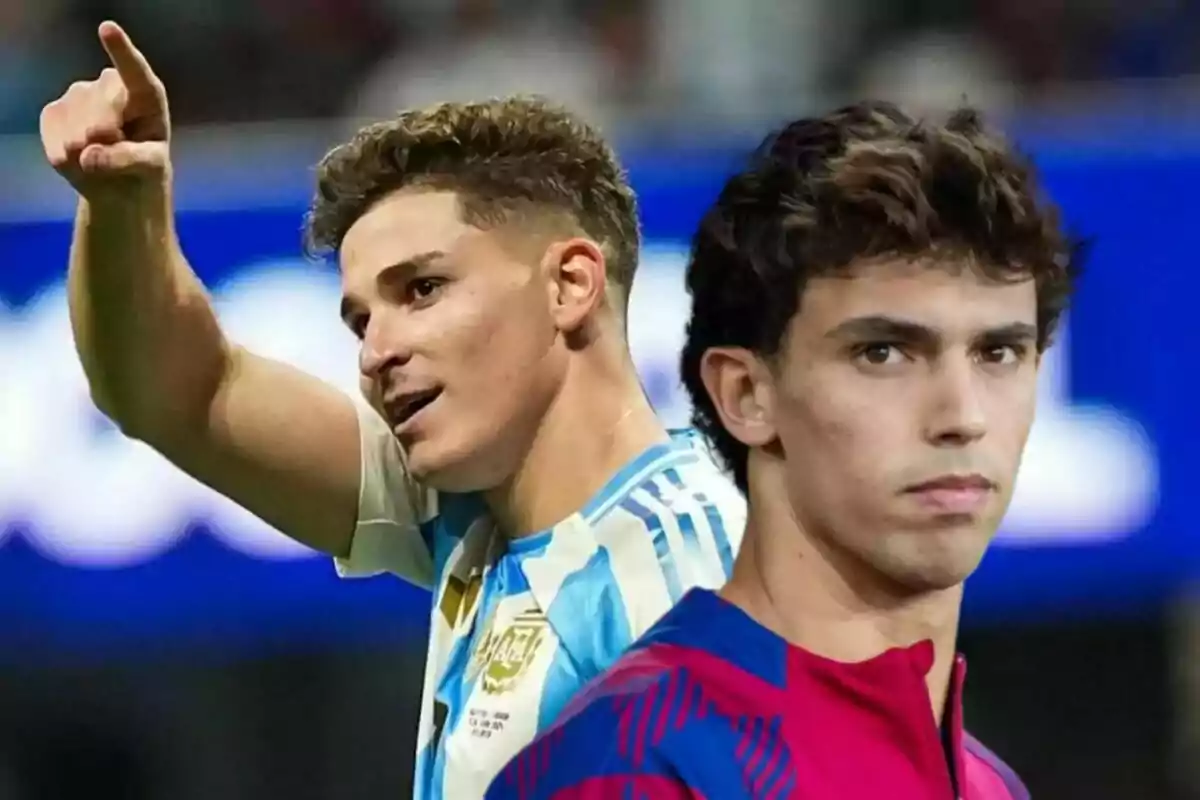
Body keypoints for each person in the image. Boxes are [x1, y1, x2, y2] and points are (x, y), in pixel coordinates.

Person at [38, 21, 745, 800]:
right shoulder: (466, 520)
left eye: (422, 290)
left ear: (570, 285)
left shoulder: (690, 568)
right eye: (361, 320)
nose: (377, 352)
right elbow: (181, 394)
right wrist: (121, 201)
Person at [488, 100, 1081, 800]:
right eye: (883, 352)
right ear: (745, 394)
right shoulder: (631, 769)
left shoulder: (991, 787)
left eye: (998, 352)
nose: (962, 415)